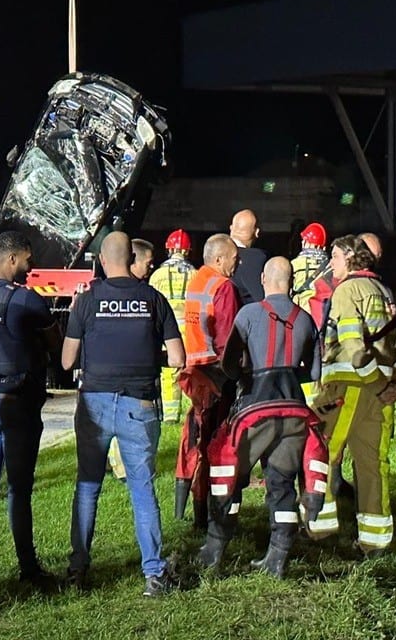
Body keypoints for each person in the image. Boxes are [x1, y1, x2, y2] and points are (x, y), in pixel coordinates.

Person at [63, 232, 184, 598]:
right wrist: (150, 357)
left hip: (94, 403)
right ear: (132, 258)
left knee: (88, 485)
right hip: (139, 404)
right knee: (142, 487)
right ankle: (153, 574)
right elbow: (178, 358)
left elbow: (67, 360)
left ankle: (78, 569)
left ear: (101, 260)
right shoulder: (153, 299)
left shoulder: (86, 301)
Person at [196, 257, 322, 578]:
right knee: (282, 484)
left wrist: (246, 376)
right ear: (291, 282)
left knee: (231, 478)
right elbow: (316, 371)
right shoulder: (306, 320)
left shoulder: (249, 314)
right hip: (294, 411)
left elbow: (229, 365)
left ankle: (214, 548)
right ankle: (277, 557)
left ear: (264, 278)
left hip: (254, 410)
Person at [0, 230, 62, 588]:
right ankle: (27, 567)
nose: (31, 265)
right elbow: (55, 341)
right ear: (11, 259)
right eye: (27, 258)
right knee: (19, 487)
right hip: (17, 399)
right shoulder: (24, 300)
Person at [304, 235, 396, 555]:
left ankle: (319, 530)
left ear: (351, 258)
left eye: (335, 257)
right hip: (381, 398)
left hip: (347, 389)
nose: (331, 264)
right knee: (373, 464)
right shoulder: (386, 293)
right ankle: (374, 541)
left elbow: (352, 346)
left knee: (320, 452)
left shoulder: (347, 291)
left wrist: (374, 382)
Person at [174, 233, 241, 527]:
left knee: (195, 441)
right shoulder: (223, 286)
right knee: (215, 445)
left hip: (196, 371)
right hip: (216, 375)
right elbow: (228, 339)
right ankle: (214, 514)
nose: (236, 266)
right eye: (234, 260)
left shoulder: (198, 280)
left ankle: (195, 512)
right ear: (219, 259)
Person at [107, 237, 156, 481]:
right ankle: (124, 470)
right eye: (148, 263)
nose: (151, 268)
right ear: (132, 259)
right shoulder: (148, 297)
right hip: (132, 383)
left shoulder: (100, 293)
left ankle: (121, 468)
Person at [148, 228, 197, 423]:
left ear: (168, 249)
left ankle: (169, 416)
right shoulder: (195, 274)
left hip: (166, 333)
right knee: (189, 373)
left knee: (168, 375)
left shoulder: (158, 275)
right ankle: (188, 415)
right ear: (188, 251)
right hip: (190, 332)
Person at [228, 209, 268, 305]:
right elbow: (262, 299)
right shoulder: (256, 258)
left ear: (231, 228)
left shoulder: (214, 251)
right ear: (257, 232)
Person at [290, 222, 329, 317]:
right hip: (322, 309)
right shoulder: (330, 265)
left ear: (305, 243)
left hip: (299, 309)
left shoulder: (295, 264)